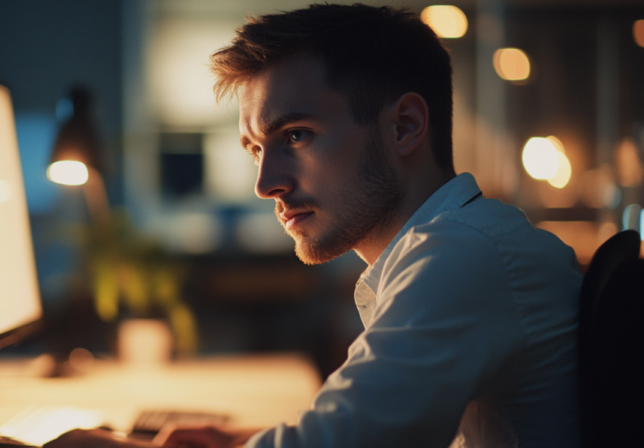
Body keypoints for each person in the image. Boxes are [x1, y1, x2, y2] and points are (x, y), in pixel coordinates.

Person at [45, 4, 582, 448]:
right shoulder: (451, 247)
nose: (265, 184)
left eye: (296, 136)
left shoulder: (465, 256)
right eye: (256, 149)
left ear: (405, 126)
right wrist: (235, 441)